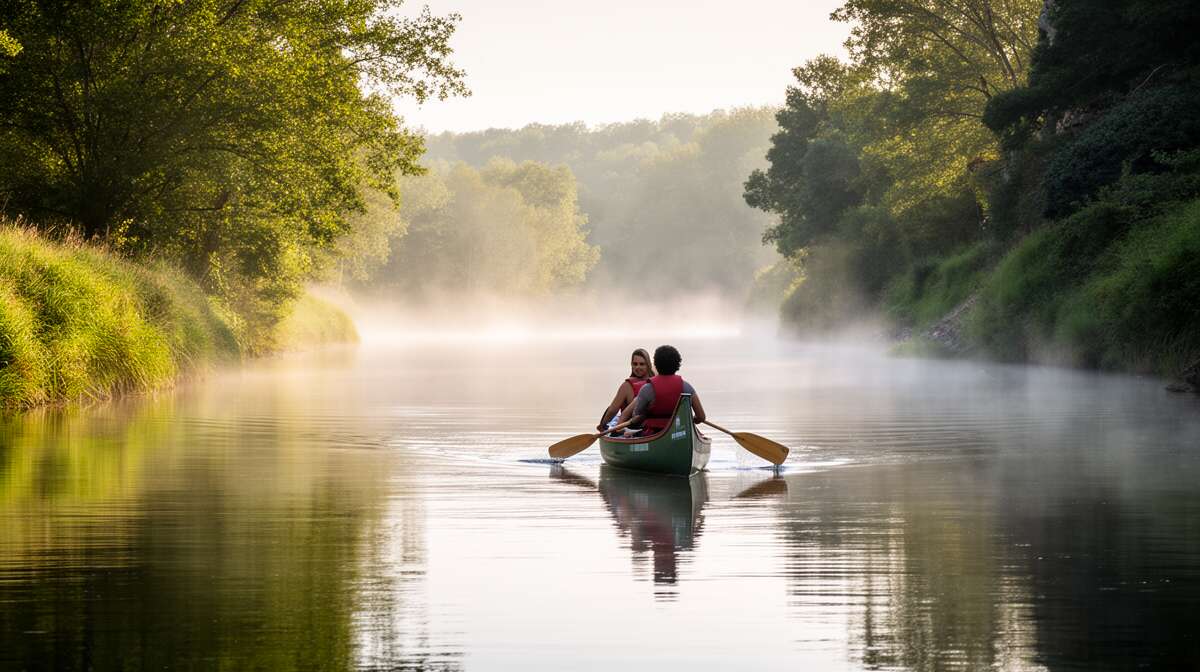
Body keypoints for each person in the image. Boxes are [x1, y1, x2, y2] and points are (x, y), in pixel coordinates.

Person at [619, 344, 705, 434]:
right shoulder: (687, 387)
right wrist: (692, 420)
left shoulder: (647, 389)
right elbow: (701, 417)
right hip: (679, 429)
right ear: (677, 364)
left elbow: (637, 414)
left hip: (653, 432)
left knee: (629, 433)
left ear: (656, 364)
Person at [597, 348, 656, 431]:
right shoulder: (656, 382)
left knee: (610, 410)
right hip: (650, 428)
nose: (637, 367)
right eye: (635, 364)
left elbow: (612, 411)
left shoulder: (627, 386)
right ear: (631, 365)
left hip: (630, 428)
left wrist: (602, 426)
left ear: (648, 365)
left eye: (642, 364)